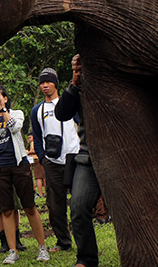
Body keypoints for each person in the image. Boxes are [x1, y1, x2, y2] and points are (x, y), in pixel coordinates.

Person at [0, 85, 49, 264]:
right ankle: (12, 250)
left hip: (19, 165)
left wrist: (4, 109)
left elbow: (15, 128)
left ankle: (42, 247)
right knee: (6, 210)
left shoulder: (16, 113)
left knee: (29, 207)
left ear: (5, 98)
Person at [54, 54, 103, 267]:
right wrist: (75, 81)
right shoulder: (81, 82)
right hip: (88, 157)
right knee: (78, 207)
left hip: (122, 156)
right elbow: (62, 113)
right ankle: (86, 259)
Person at [30, 68, 79, 252]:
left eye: (48, 82)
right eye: (42, 82)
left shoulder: (68, 103)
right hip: (51, 161)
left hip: (73, 158)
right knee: (55, 204)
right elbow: (36, 134)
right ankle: (63, 242)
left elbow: (80, 123)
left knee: (78, 203)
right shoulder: (37, 110)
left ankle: (83, 242)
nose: (45, 86)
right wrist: (42, 158)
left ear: (56, 84)